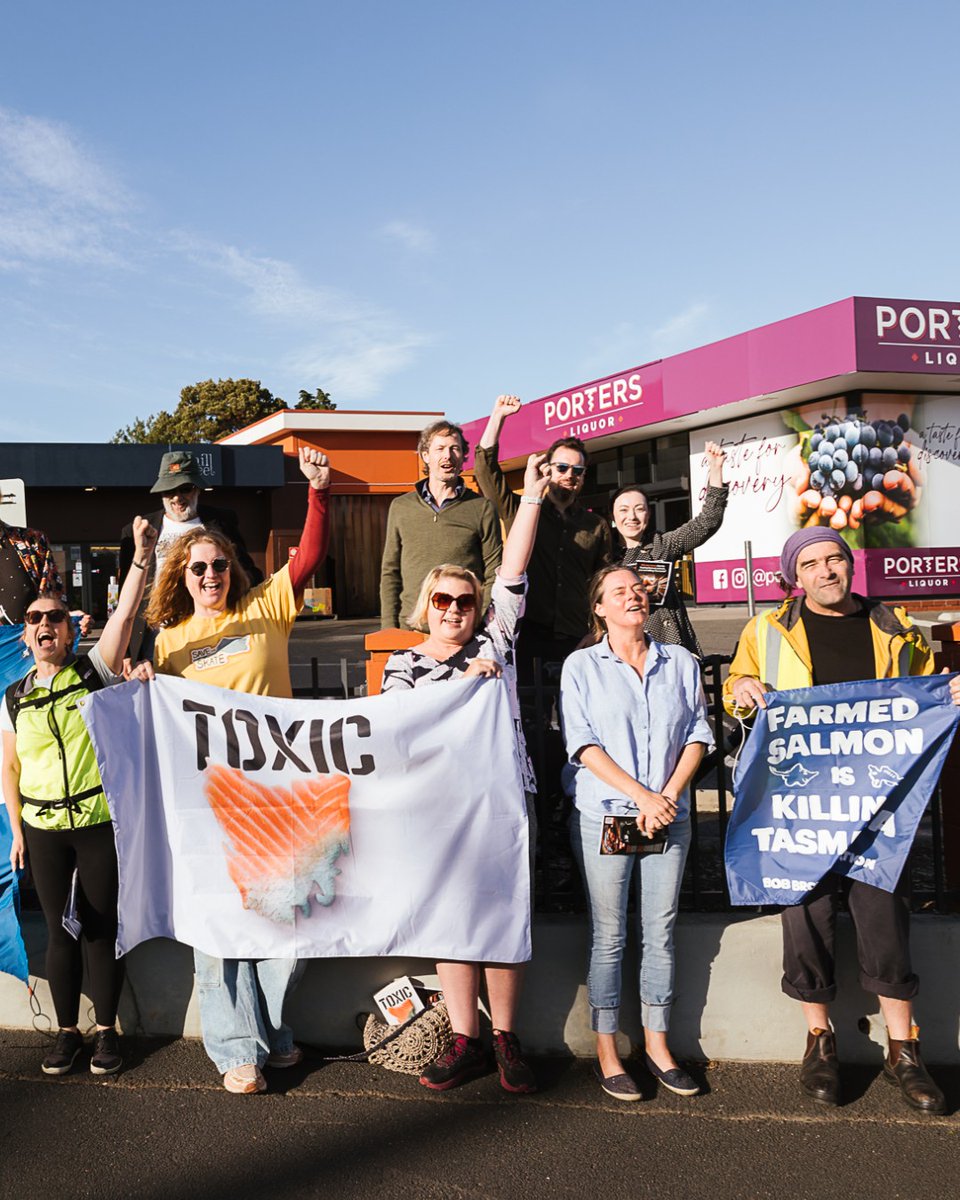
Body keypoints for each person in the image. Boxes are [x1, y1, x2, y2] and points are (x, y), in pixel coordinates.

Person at [723, 527, 960, 1114]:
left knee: (885, 914)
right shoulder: (767, 629)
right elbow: (734, 687)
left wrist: (947, 696)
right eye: (812, 563)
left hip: (877, 802)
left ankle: (904, 1050)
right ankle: (820, 1041)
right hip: (801, 802)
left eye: (835, 559)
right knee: (804, 914)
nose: (826, 570)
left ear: (850, 566)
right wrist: (743, 687)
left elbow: (922, 694)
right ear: (795, 577)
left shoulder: (896, 627)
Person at [139, 448, 330, 1094]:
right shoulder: (169, 642)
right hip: (210, 806)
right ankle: (234, 1050)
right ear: (182, 576)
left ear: (232, 567)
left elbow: (305, 559)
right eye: (198, 568)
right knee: (218, 930)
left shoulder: (267, 609)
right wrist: (145, 680)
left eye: (220, 564)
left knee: (288, 930)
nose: (211, 574)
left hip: (279, 797)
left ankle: (272, 1032)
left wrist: (318, 495)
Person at [380, 451, 550, 1094]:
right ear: (427, 605)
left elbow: (512, 570)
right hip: (440, 807)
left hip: (503, 799)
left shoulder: (495, 643)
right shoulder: (405, 665)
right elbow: (401, 735)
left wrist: (528, 498)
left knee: (504, 914)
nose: (455, 609)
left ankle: (505, 1037)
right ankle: (465, 1038)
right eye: (444, 600)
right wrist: (456, 680)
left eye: (465, 601)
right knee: (450, 918)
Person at [1, 516, 159, 1077]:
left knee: (99, 925)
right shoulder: (14, 696)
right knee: (58, 933)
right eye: (35, 620)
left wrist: (141, 557)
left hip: (94, 822)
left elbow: (124, 617)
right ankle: (67, 1033)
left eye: (55, 618)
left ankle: (107, 1032)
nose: (46, 624)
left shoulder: (91, 673)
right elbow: (10, 766)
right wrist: (18, 831)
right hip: (43, 830)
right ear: (25, 636)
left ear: (69, 630)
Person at [560, 565, 713, 1101]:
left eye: (638, 588)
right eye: (618, 591)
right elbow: (582, 744)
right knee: (610, 936)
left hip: (667, 814)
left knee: (661, 931)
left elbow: (698, 732)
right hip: (611, 814)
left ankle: (657, 1044)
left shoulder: (681, 663)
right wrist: (641, 797)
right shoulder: (581, 666)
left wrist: (665, 796)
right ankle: (607, 1050)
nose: (633, 595)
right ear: (599, 608)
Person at [474, 395, 612, 682]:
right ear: (547, 469)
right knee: (528, 713)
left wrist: (599, 629)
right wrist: (498, 416)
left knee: (574, 716)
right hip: (527, 634)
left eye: (577, 470)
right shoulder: (520, 509)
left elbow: (603, 581)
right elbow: (485, 470)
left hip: (576, 637)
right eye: (561, 467)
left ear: (584, 476)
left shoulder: (596, 526)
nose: (568, 475)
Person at [119, 450, 263, 668]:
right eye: (169, 490)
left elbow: (248, 575)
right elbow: (126, 594)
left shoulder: (222, 522)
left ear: (197, 488)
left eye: (185, 488)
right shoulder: (137, 531)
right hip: (155, 635)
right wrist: (126, 649)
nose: (177, 497)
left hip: (212, 631)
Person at [379, 420, 502, 630]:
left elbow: (493, 572)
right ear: (425, 456)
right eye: (440, 448)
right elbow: (390, 572)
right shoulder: (401, 507)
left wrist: (478, 621)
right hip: (411, 630)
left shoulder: (482, 508)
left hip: (462, 630)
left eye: (455, 448)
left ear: (463, 457)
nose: (448, 455)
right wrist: (389, 629)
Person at [609, 442, 728, 656]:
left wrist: (716, 469)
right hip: (624, 650)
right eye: (624, 510)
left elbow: (706, 522)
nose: (632, 517)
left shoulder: (663, 545)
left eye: (639, 509)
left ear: (648, 514)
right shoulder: (604, 558)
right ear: (614, 518)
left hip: (670, 647)